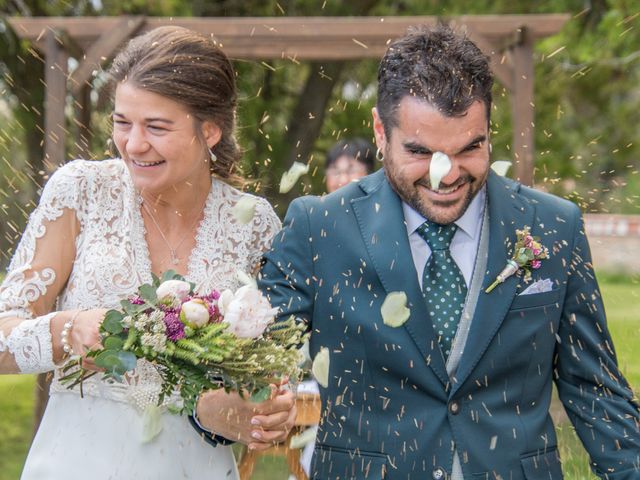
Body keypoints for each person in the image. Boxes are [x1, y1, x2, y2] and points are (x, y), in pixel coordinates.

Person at [197, 25, 640, 478]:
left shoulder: (553, 225)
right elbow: (250, 368)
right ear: (379, 131)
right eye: (420, 151)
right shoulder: (319, 227)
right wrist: (241, 407)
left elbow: (595, 389)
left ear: (490, 129)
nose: (445, 176)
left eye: (469, 148)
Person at [0, 26, 296, 479]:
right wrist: (66, 331)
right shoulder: (82, 192)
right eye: (122, 123)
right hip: (76, 459)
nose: (133, 144)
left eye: (156, 127)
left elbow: (271, 368)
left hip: (194, 465)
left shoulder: (253, 223)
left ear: (211, 129)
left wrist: (259, 410)